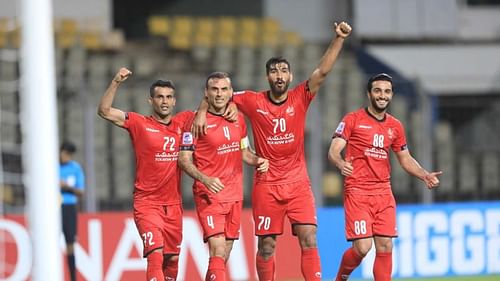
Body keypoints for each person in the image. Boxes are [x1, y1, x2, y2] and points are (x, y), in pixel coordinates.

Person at [193, 21, 352, 281]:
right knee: (266, 246)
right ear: (268, 77)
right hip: (267, 184)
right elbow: (220, 94)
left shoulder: (301, 96)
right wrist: (201, 111)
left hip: (298, 183)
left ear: (290, 77)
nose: (279, 75)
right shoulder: (252, 100)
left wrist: (339, 39)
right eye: (274, 71)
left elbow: (322, 72)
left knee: (309, 237)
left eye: (284, 71)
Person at [328, 73, 442, 281]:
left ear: (391, 95)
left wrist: (424, 175)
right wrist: (340, 162)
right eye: (378, 91)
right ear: (369, 93)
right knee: (362, 248)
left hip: (383, 192)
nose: (383, 95)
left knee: (386, 245)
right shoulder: (352, 120)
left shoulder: (395, 126)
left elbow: (405, 159)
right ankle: (340, 278)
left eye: (387, 91)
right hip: (358, 191)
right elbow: (334, 150)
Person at [97, 67, 192, 281]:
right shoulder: (139, 123)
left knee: (172, 260)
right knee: (155, 256)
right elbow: (104, 111)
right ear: (151, 101)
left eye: (168, 97)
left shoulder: (183, 122)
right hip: (147, 203)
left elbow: (210, 108)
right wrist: (115, 81)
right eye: (159, 97)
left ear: (175, 101)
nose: (164, 101)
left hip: (173, 205)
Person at [178, 72, 269, 281]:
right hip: (209, 195)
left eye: (224, 89)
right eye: (214, 89)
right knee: (218, 250)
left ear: (231, 93)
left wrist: (258, 160)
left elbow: (245, 151)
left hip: (234, 195)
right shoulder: (195, 123)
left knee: (222, 255)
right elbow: (183, 159)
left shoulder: (239, 118)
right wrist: (205, 179)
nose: (219, 94)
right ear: (206, 93)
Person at [59, 141, 85, 281]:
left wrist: (66, 187)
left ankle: (73, 278)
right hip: (52, 209)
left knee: (70, 244)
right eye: (66, 153)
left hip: (69, 208)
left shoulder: (75, 168)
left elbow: (81, 191)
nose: (67, 157)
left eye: (70, 155)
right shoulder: (49, 165)